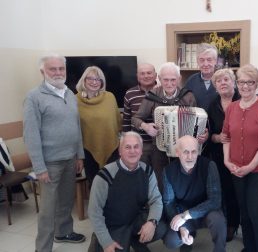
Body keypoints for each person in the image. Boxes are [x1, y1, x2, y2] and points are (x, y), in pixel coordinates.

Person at [23, 53, 86, 252]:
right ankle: (42, 248)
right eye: (53, 69)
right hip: (49, 163)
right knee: (48, 210)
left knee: (66, 202)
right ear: (43, 71)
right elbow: (30, 135)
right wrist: (39, 167)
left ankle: (64, 232)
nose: (58, 72)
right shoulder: (34, 97)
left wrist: (80, 155)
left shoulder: (69, 94)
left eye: (61, 69)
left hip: (70, 159)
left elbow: (76, 127)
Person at [223, 64, 258, 252]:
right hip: (236, 169)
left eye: (250, 82)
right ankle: (250, 248)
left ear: (257, 84)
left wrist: (250, 166)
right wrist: (226, 161)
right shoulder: (231, 108)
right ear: (237, 84)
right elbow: (226, 136)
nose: (245, 86)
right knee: (244, 213)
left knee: (257, 213)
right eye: (241, 82)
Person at [88, 131, 167, 252]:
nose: (132, 151)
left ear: (141, 151)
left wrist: (152, 222)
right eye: (127, 147)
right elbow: (94, 212)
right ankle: (99, 240)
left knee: (160, 227)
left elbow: (156, 200)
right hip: (113, 225)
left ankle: (134, 240)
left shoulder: (147, 172)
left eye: (136, 147)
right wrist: (106, 242)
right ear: (120, 151)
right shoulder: (105, 175)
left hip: (135, 220)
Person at [132, 62, 196, 191]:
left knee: (183, 180)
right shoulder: (152, 96)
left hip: (184, 148)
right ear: (159, 79)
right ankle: (164, 209)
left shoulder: (188, 96)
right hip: (160, 147)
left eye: (173, 80)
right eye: (165, 80)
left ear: (179, 79)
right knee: (161, 182)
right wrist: (146, 126)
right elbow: (135, 118)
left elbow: (196, 119)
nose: (169, 83)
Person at [162, 135, 226, 252]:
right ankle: (186, 239)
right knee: (170, 241)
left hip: (205, 211)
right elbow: (168, 203)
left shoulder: (209, 166)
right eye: (186, 152)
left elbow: (215, 201)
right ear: (177, 152)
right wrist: (181, 227)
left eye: (194, 152)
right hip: (182, 214)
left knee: (218, 219)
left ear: (199, 151)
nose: (190, 157)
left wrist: (187, 214)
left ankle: (220, 249)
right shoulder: (168, 171)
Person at [207, 68, 241, 242]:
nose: (223, 83)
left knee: (242, 191)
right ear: (215, 86)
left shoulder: (244, 99)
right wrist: (217, 137)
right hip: (221, 156)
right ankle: (231, 224)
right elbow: (209, 135)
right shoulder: (212, 106)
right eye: (218, 81)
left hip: (244, 155)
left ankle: (245, 223)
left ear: (233, 81)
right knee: (227, 191)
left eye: (226, 79)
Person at [76, 66, 121, 185]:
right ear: (84, 80)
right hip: (88, 150)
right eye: (90, 78)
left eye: (98, 79)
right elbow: (74, 128)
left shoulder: (110, 97)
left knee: (113, 183)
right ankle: (97, 204)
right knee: (95, 184)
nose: (94, 82)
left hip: (112, 147)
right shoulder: (75, 100)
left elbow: (117, 121)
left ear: (102, 82)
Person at [122, 63, 157, 164]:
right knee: (142, 173)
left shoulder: (162, 91)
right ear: (137, 77)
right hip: (139, 144)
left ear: (155, 75)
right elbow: (126, 120)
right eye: (142, 73)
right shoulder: (130, 93)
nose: (146, 76)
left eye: (149, 73)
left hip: (159, 144)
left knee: (158, 174)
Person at [184, 43, 218, 111]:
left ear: (215, 61)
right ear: (197, 62)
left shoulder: (223, 80)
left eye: (209, 60)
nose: (205, 64)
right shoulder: (191, 81)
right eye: (202, 60)